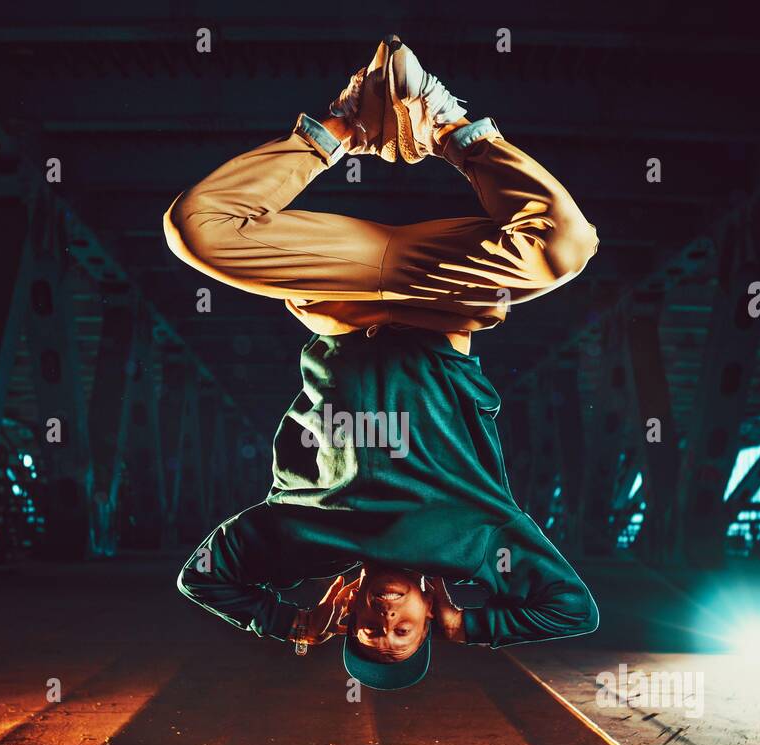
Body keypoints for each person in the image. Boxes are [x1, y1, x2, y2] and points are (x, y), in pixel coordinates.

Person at [165, 36, 600, 691]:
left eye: (371, 630)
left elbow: (198, 578)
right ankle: (450, 127)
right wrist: (470, 627)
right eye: (407, 631)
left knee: (194, 228)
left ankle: (346, 125)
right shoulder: (483, 543)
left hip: (341, 300)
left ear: (348, 615)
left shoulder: (294, 541)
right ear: (429, 613)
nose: (388, 619)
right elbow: (574, 610)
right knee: (568, 245)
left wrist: (290, 621)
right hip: (442, 301)